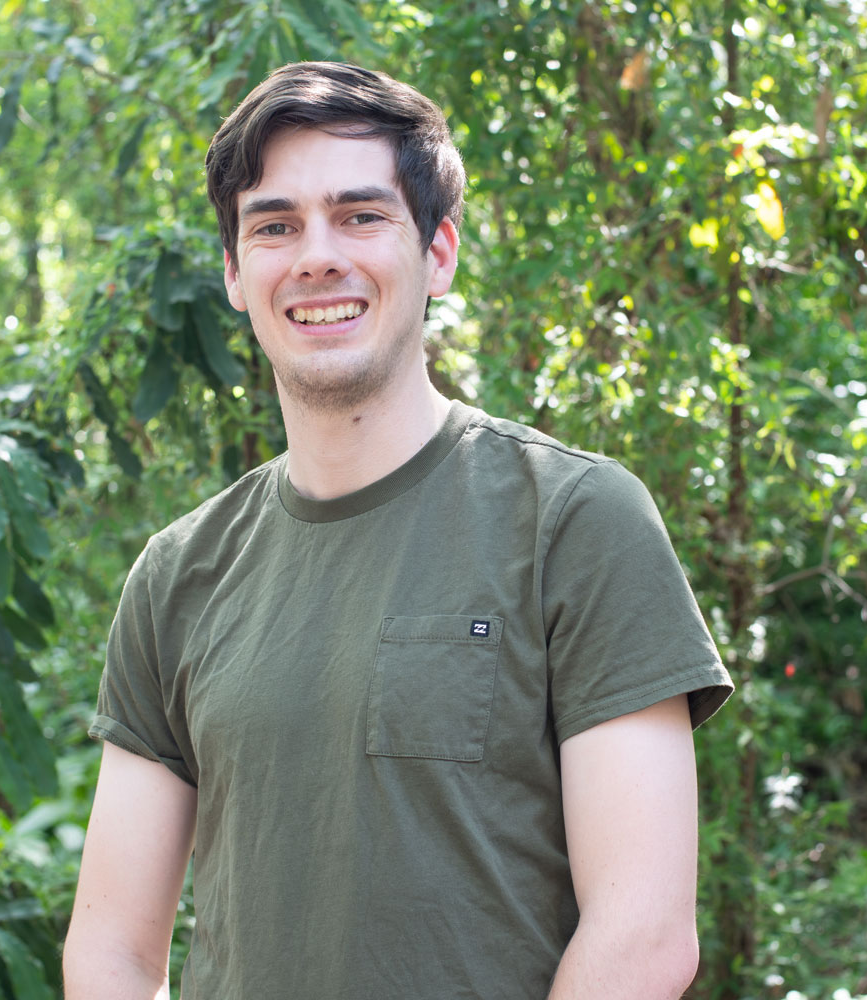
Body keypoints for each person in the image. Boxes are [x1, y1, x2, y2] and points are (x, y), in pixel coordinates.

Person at [62, 61, 733, 1000]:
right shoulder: (178, 574)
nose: (316, 256)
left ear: (440, 251)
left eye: (362, 216)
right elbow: (111, 953)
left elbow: (644, 937)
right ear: (234, 273)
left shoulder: (575, 519)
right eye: (275, 226)